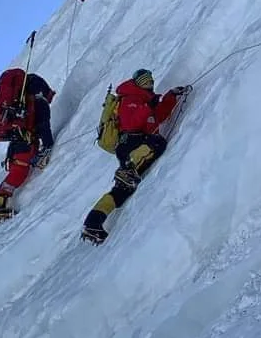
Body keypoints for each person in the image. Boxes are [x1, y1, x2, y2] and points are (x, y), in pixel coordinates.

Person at [81, 69, 191, 243]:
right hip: (130, 144)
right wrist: (148, 106)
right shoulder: (130, 98)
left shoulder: (146, 100)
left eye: (150, 80)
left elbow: (157, 118)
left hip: (135, 146)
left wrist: (171, 96)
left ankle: (93, 223)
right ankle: (128, 168)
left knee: (121, 191)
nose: (149, 84)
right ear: (137, 83)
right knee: (158, 143)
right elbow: (131, 124)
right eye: (144, 81)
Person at [0, 72, 56, 222]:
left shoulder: (22, 103)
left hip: (15, 144)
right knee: (20, 172)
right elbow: (44, 126)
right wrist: (48, 145)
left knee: (17, 170)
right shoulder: (39, 102)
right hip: (26, 144)